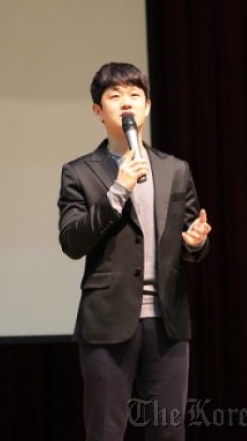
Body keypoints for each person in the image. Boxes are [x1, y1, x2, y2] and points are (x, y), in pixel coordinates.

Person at [58, 62, 211, 441]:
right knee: (106, 432)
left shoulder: (175, 169)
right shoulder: (79, 172)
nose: (126, 103)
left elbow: (191, 239)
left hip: (167, 322)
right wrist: (118, 190)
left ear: (147, 107)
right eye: (115, 96)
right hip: (108, 322)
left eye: (134, 95)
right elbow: (71, 242)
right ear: (98, 111)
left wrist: (196, 242)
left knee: (169, 432)